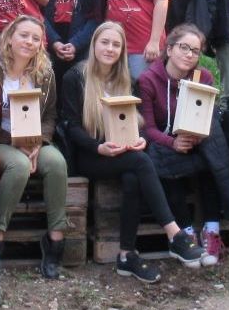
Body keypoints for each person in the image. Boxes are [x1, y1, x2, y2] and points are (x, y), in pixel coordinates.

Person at [58, 22, 205, 282]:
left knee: (133, 175)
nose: (110, 48)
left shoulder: (127, 81)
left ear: (123, 50)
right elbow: (71, 128)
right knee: (140, 163)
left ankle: (126, 255)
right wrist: (99, 147)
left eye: (116, 44)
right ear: (94, 45)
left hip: (124, 153)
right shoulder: (75, 78)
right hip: (90, 155)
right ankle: (175, 234)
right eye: (105, 42)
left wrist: (142, 141)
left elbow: (142, 127)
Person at [138, 24, 229, 267]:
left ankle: (212, 230)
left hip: (198, 142)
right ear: (170, 48)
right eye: (184, 48)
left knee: (210, 156)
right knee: (161, 163)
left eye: (195, 51)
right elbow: (148, 128)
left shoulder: (202, 77)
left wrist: (194, 137)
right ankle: (185, 235)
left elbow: (204, 117)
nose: (189, 55)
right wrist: (173, 143)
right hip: (166, 144)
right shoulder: (148, 80)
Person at [0, 15, 71, 277]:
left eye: (35, 38)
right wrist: (16, 143)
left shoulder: (45, 72)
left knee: (56, 163)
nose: (29, 42)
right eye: (23, 35)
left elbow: (51, 115)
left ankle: (55, 238)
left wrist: (39, 141)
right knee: (19, 166)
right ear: (9, 37)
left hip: (34, 140)